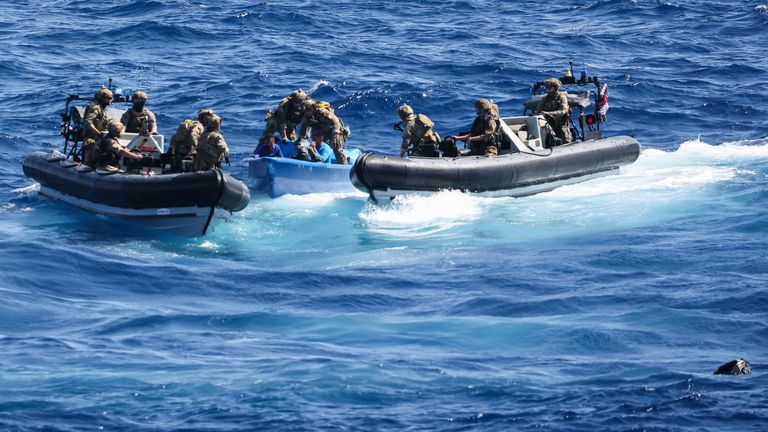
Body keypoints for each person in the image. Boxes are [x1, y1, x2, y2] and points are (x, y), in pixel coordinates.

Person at [535, 78, 573, 145]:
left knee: (566, 140)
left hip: (560, 124)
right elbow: (538, 111)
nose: (548, 90)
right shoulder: (545, 99)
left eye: (550, 88)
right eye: (547, 88)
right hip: (547, 125)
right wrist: (539, 114)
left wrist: (548, 113)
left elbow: (563, 111)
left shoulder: (562, 97)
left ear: (555, 88)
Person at [81, 87, 113, 162]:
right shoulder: (96, 108)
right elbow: (88, 121)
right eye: (109, 98)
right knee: (89, 161)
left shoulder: (102, 109)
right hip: (91, 139)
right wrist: (98, 133)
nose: (111, 101)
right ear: (103, 98)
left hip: (99, 139)